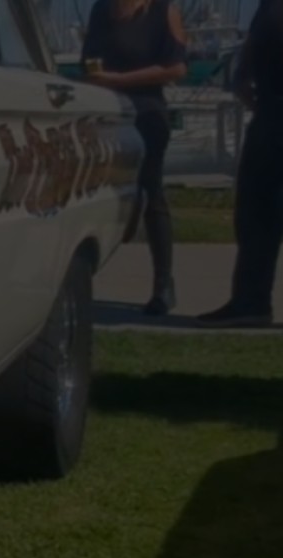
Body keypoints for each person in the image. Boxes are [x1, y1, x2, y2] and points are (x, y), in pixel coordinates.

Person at [81, 0, 188, 316]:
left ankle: (163, 284)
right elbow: (88, 61)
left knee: (150, 192)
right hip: (106, 113)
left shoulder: (162, 11)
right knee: (93, 193)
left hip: (145, 113)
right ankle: (80, 276)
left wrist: (117, 80)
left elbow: (177, 68)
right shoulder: (102, 10)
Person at [197, 0, 283, 328]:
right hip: (270, 109)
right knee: (254, 211)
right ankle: (251, 301)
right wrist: (243, 75)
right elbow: (256, 39)